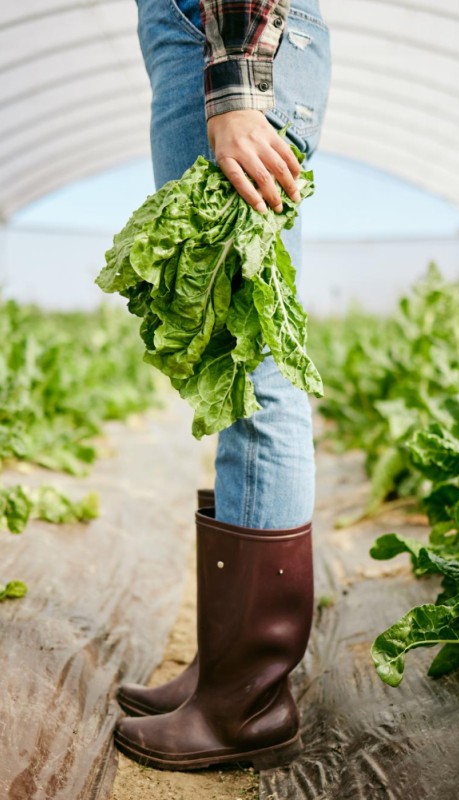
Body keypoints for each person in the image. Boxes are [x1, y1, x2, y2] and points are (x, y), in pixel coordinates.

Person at [115, 0, 331, 771]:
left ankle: (249, 702)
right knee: (231, 354)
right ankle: (225, 671)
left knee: (256, 361)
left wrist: (237, 91)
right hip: (202, 42)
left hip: (239, 44)